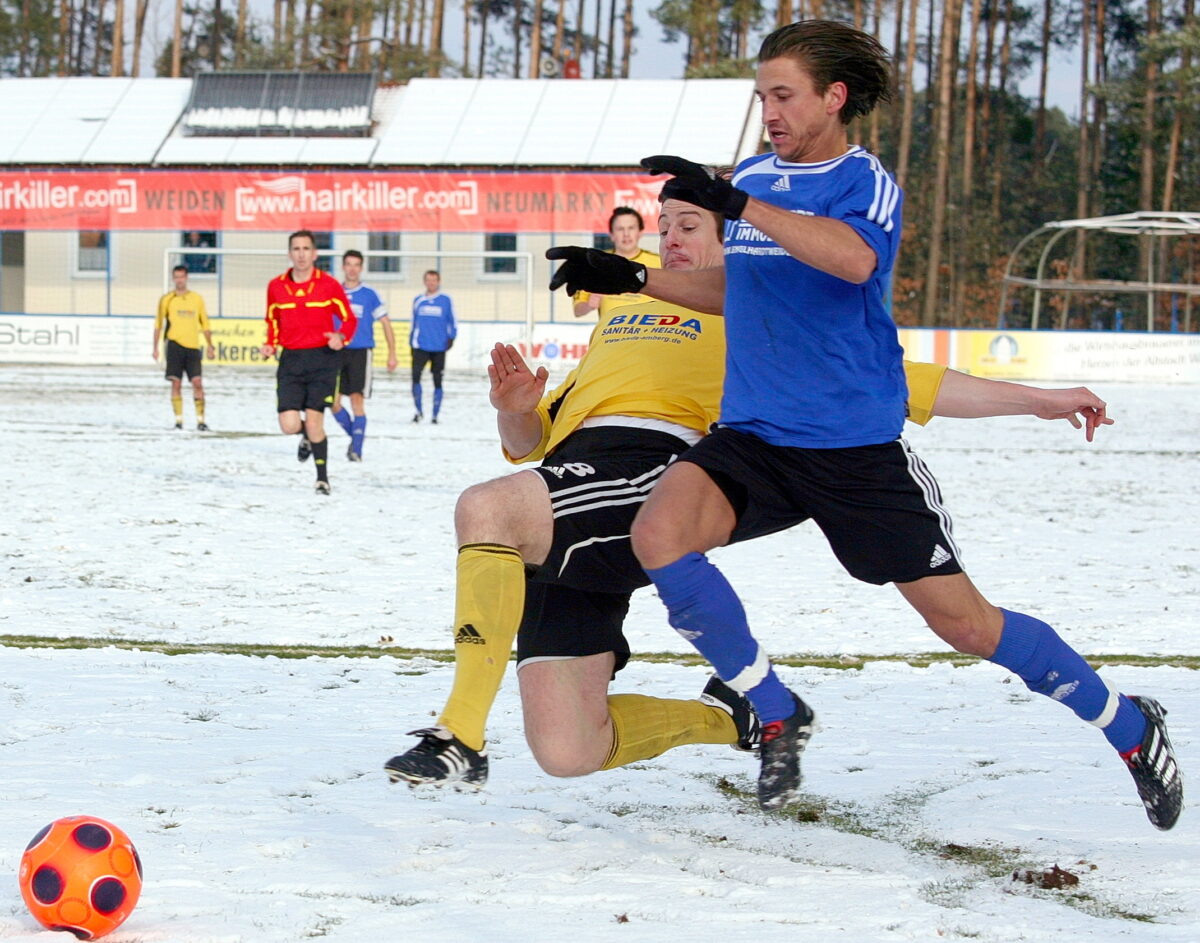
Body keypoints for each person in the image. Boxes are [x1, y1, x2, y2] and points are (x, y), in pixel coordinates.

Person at [548, 20, 1180, 829]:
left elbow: (851, 260)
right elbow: (742, 289)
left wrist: (739, 203)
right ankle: (773, 710)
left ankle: (1129, 725)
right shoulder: (753, 177)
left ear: (833, 97)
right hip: (756, 440)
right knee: (659, 534)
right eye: (763, 98)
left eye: (784, 96)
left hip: (855, 454)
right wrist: (633, 278)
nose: (770, 113)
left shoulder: (862, 180)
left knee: (967, 625)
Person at [384, 189, 1115, 791]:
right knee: (568, 749)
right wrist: (515, 409)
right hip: (565, 491)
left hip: (652, 474)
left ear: (730, 235)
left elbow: (910, 382)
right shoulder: (620, 304)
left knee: (485, 506)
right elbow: (530, 443)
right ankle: (734, 715)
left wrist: (1040, 400)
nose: (669, 238)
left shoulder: (761, 307)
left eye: (688, 225)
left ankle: (460, 735)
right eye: (662, 226)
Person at [260, 230, 357, 495]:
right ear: (289, 253)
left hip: (322, 359)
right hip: (291, 360)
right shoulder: (276, 286)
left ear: (314, 254)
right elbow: (272, 320)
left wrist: (341, 337)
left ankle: (322, 479)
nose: (301, 254)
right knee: (288, 425)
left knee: (315, 423)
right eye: (296, 249)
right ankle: (305, 435)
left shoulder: (328, 285)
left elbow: (349, 319)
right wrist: (270, 343)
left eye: (306, 249)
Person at [330, 249, 398, 461]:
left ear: (361, 268)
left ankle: (356, 451)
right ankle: (356, 438)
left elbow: (386, 323)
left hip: (360, 353)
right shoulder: (332, 292)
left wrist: (392, 353)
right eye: (348, 264)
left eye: (356, 265)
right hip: (335, 352)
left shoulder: (369, 295)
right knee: (332, 401)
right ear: (343, 267)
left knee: (357, 401)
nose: (352, 269)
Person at [153, 264, 215, 431]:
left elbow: (205, 323)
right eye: (176, 277)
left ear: (186, 278)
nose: (179, 280)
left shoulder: (196, 299)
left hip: (192, 347)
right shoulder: (167, 299)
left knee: (197, 382)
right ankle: (178, 421)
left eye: (182, 277)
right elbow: (158, 324)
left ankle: (201, 421)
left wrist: (210, 345)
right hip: (174, 345)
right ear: (173, 279)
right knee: (176, 383)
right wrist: (155, 348)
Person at [572, 207, 661, 319]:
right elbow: (577, 310)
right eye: (620, 229)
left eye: (631, 228)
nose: (626, 234)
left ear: (640, 232)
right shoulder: (595, 263)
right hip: (610, 329)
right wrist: (588, 305)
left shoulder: (659, 263)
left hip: (647, 329)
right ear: (611, 235)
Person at [410, 270, 457, 424]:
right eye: (428, 280)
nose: (431, 283)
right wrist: (411, 341)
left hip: (439, 347)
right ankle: (418, 411)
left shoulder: (445, 300)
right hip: (420, 346)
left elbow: (452, 320)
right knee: (415, 377)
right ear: (424, 281)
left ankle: (435, 415)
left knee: (437, 380)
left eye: (434, 280)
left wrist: (452, 337)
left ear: (438, 281)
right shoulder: (418, 300)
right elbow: (413, 322)